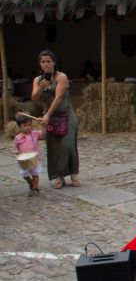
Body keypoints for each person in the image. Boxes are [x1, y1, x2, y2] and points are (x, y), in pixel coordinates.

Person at [30, 50, 80, 189]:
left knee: (67, 144)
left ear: (54, 63)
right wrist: (40, 88)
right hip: (50, 116)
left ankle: (74, 173)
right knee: (54, 146)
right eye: (43, 62)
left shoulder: (61, 77)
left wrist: (48, 114)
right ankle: (59, 176)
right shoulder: (37, 80)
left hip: (65, 113)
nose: (45, 64)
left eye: (48, 61)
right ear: (40, 64)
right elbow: (34, 98)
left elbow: (58, 98)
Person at [12, 114, 43, 197]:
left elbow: (44, 132)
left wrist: (43, 123)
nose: (28, 127)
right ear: (19, 127)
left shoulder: (34, 134)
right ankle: (30, 182)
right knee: (24, 174)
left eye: (29, 125)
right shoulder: (18, 137)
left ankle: (35, 188)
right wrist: (17, 152)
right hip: (23, 160)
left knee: (35, 174)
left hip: (35, 158)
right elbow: (15, 147)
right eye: (25, 125)